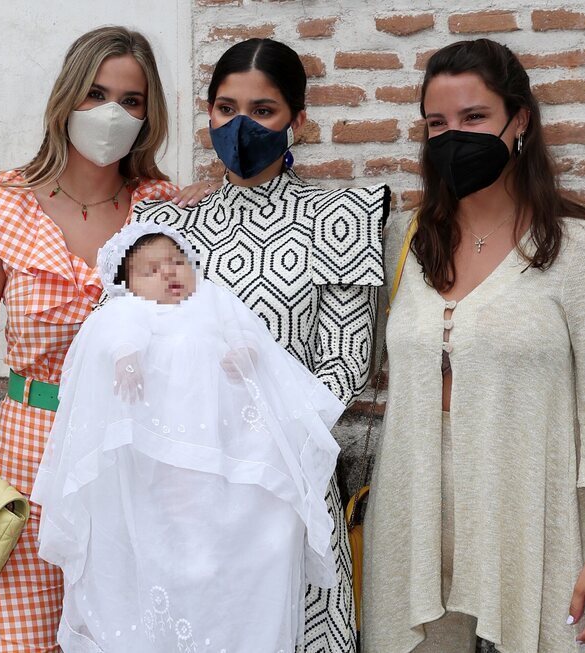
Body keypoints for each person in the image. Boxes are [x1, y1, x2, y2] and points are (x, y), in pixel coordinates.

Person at [0, 26, 211, 651]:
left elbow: (190, 344)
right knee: (21, 641)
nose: (112, 113)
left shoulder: (165, 214)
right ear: (65, 101)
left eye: (131, 102)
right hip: (27, 451)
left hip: (130, 455)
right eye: (96, 94)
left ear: (148, 114)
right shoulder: (5, 208)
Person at [361, 39, 585, 653]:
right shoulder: (406, 242)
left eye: (474, 118)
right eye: (438, 123)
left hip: (525, 519)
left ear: (520, 121)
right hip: (413, 523)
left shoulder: (576, 247)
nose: (453, 135)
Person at [127, 38, 390, 652]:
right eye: (225, 108)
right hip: (187, 485)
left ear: (298, 120)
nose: (240, 125)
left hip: (286, 478)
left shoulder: (342, 217)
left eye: (263, 110)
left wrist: (266, 436)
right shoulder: (174, 229)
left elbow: (345, 364)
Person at [31, 221, 345, 652]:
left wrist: (244, 351)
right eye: (150, 270)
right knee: (162, 520)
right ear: (127, 283)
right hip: (155, 450)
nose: (169, 274)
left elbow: (245, 332)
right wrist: (127, 360)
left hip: (224, 447)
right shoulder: (129, 311)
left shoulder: (212, 298)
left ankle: (227, 598)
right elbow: (119, 337)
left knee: (234, 517)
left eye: (177, 262)